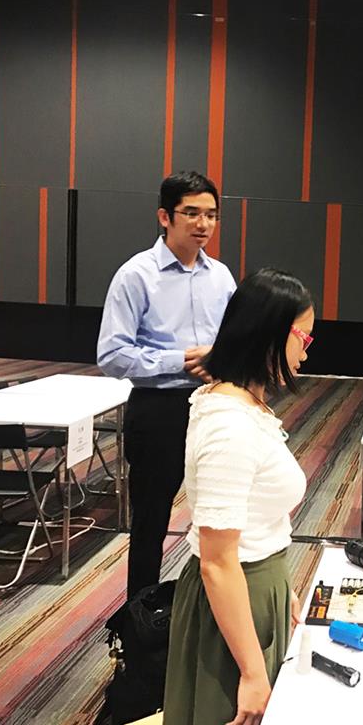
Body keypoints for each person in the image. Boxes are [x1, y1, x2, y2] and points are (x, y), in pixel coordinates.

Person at [163, 268, 313, 725]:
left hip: (255, 587)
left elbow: (253, 520)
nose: (307, 351)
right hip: (233, 598)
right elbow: (217, 561)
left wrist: (280, 587)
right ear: (272, 335)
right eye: (304, 338)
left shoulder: (247, 406)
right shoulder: (229, 425)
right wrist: (250, 671)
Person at [97, 170, 237, 599]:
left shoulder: (222, 277)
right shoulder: (136, 275)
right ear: (165, 217)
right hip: (158, 410)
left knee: (222, 518)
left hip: (214, 407)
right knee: (151, 523)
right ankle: (139, 621)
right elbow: (111, 355)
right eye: (191, 213)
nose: (203, 224)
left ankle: (211, 614)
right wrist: (179, 360)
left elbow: (234, 340)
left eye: (211, 215)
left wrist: (223, 357)